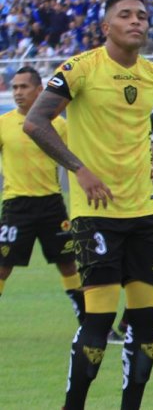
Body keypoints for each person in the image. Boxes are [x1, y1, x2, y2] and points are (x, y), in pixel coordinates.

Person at [24, 0, 153, 410]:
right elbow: (35, 122)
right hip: (96, 217)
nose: (136, 21)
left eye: (142, 16)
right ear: (105, 27)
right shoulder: (81, 69)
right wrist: (79, 168)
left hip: (145, 214)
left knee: (145, 326)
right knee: (98, 322)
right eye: (125, 15)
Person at [0, 67, 84, 324]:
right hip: (16, 205)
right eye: (14, 87)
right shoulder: (3, 124)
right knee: (3, 267)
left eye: (23, 87)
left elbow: (77, 159)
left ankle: (90, 323)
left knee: (68, 263)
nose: (17, 92)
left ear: (39, 90)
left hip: (51, 205)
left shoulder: (59, 125)